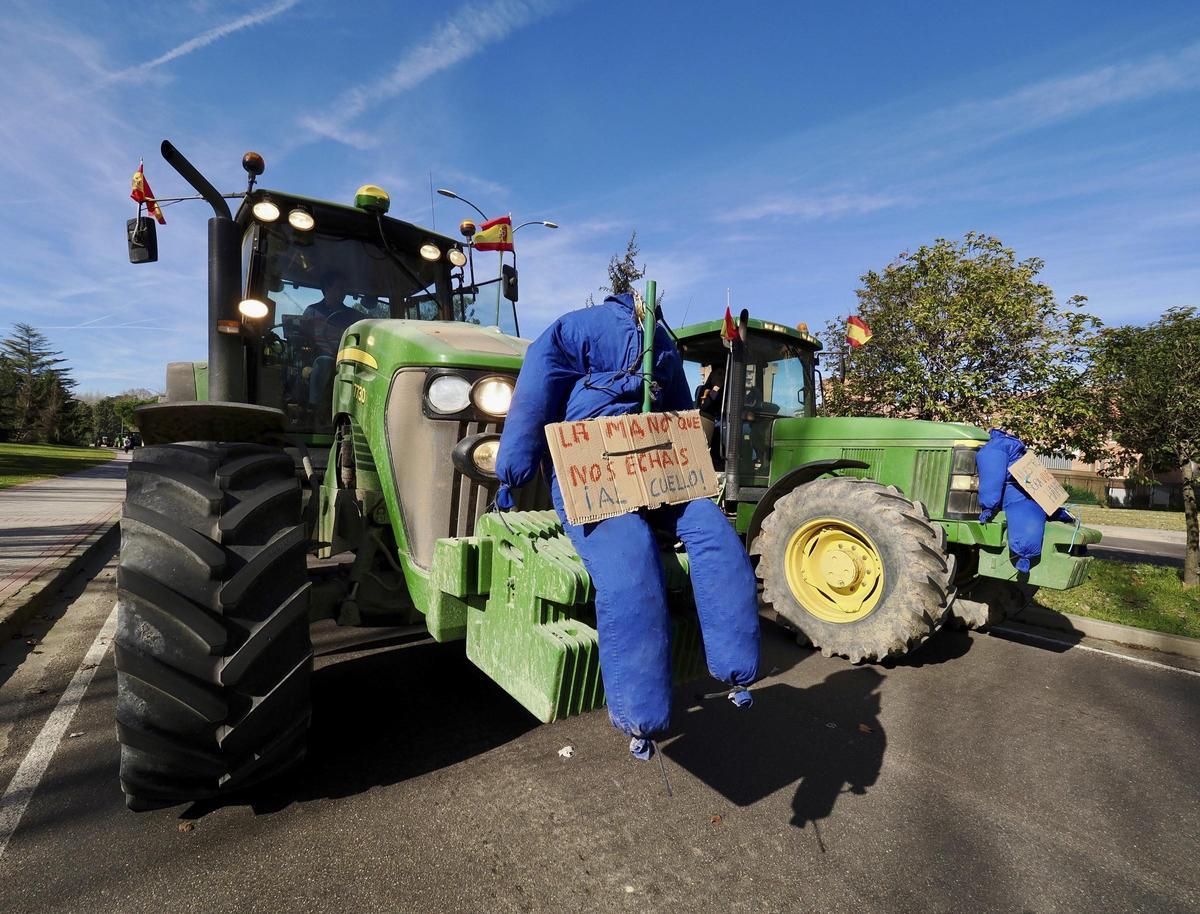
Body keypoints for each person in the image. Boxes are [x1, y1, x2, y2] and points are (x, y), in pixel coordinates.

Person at [495, 292, 760, 761]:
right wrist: (516, 467)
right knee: (636, 553)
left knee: (709, 533)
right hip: (590, 469)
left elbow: (677, 413)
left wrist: (512, 472)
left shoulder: (660, 344)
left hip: (653, 463)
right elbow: (539, 384)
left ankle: (734, 670)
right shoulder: (579, 330)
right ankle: (644, 712)